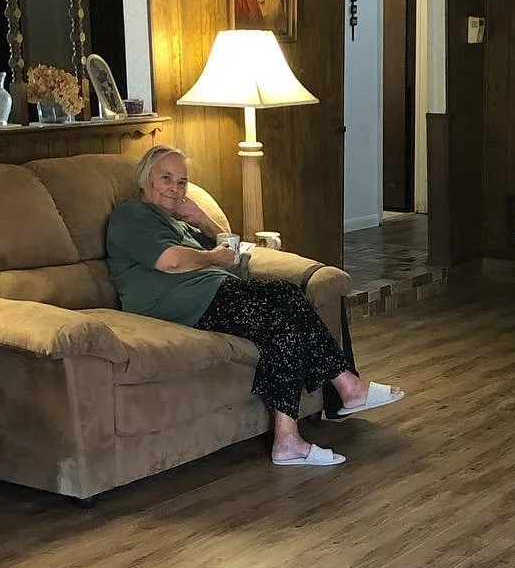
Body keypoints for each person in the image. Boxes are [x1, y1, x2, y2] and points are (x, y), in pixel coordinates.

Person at [106, 146, 402, 467]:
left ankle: (291, 439)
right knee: (285, 299)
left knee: (282, 322)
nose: (175, 189)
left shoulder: (179, 224)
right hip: (182, 304)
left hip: (214, 293)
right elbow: (172, 262)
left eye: (182, 182)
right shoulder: (132, 215)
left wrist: (203, 220)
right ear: (144, 180)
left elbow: (232, 257)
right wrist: (214, 257)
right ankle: (346, 388)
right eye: (166, 179)